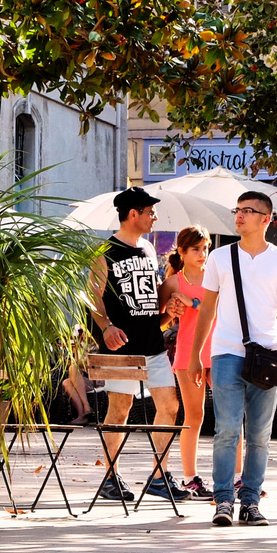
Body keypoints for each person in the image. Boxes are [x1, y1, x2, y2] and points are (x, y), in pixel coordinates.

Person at [189, 191, 277, 527]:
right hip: (226, 352)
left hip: (268, 356)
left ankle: (250, 501)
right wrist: (199, 354)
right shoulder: (221, 258)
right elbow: (207, 308)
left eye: (248, 211)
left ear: (266, 219)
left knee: (259, 435)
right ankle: (223, 499)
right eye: (237, 210)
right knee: (226, 430)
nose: (239, 216)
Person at [87, 188, 189, 503]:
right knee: (120, 410)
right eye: (150, 212)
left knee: (170, 406)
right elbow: (90, 298)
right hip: (123, 347)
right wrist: (105, 327)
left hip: (153, 343)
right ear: (134, 214)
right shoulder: (104, 252)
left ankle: (159, 476)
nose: (154, 217)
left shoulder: (147, 249)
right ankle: (109, 477)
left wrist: (168, 309)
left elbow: (148, 301)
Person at [165, 225, 222, 500]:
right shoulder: (174, 282)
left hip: (221, 350)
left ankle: (236, 477)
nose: (203, 254)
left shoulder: (217, 276)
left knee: (230, 415)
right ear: (182, 252)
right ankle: (190, 479)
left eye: (206, 248)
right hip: (188, 354)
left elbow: (222, 307)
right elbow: (159, 317)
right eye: (196, 249)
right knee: (194, 416)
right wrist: (171, 308)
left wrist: (193, 301)